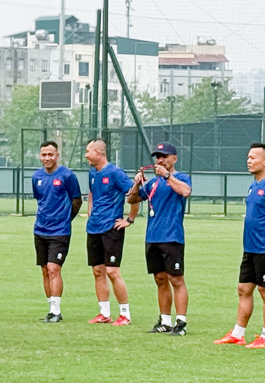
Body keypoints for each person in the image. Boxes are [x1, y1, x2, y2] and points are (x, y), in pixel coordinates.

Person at [215, 143, 265, 349]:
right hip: (250, 248)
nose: (249, 161)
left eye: (254, 157)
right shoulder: (253, 185)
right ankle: (238, 334)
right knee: (244, 288)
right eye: (248, 157)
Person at [128, 141, 192, 336]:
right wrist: (137, 183)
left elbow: (185, 191)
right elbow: (132, 199)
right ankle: (165, 320)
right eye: (158, 157)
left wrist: (166, 175)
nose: (160, 160)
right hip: (153, 236)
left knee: (176, 279)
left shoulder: (180, 178)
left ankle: (180, 322)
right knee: (160, 278)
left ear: (174, 158)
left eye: (164, 156)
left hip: (171, 236)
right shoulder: (153, 183)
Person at [84, 138, 134, 326]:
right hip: (94, 228)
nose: (86, 155)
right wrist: (90, 211)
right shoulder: (92, 173)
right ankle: (104, 313)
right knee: (98, 271)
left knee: (112, 271)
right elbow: (91, 193)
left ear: (98, 152)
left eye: (88, 151)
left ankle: (125, 314)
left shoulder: (115, 173)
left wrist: (129, 219)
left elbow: (133, 194)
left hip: (111, 228)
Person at [31, 140, 82, 323]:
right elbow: (41, 200)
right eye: (44, 155)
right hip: (40, 230)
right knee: (45, 269)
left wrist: (66, 220)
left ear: (57, 155)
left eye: (50, 154)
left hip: (60, 231)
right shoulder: (36, 177)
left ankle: (57, 311)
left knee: (54, 268)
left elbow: (77, 201)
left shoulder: (67, 176)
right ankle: (51, 309)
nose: (47, 158)